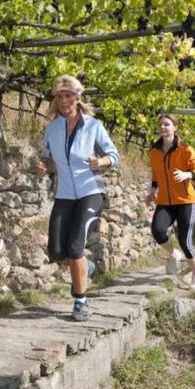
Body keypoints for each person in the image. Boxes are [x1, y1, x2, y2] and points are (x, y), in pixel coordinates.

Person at [36, 75, 119, 322]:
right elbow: (50, 161)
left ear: (77, 97)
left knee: (75, 248)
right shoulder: (51, 129)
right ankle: (86, 267)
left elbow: (114, 155)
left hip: (90, 192)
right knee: (58, 252)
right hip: (64, 194)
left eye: (68, 96)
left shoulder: (93, 126)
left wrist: (101, 161)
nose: (63, 101)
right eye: (59, 96)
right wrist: (44, 167)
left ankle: (80, 302)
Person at [144, 114, 195, 289]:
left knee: (185, 239)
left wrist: (187, 174)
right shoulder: (154, 151)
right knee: (157, 231)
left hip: (186, 201)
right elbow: (156, 175)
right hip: (165, 201)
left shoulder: (185, 149)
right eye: (161, 125)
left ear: (174, 128)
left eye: (167, 124)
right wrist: (152, 191)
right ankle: (173, 253)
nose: (163, 127)